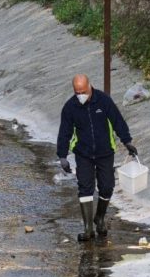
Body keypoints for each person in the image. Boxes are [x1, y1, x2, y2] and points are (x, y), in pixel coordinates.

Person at [56, 74, 137, 241]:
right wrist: (62, 156)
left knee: (107, 187)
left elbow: (117, 121)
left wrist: (127, 141)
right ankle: (88, 229)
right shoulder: (70, 107)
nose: (81, 95)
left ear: (89, 86)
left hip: (105, 151)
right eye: (77, 92)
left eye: (83, 91)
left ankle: (99, 217)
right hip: (83, 153)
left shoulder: (103, 101)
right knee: (85, 188)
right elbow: (64, 132)